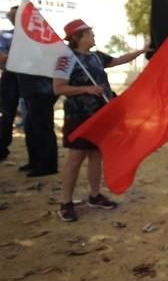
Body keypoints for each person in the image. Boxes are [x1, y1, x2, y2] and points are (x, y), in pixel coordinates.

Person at [53, 19, 149, 222]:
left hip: (101, 115)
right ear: (79, 37)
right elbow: (58, 88)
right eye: (89, 33)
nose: (93, 36)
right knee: (75, 159)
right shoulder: (66, 58)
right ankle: (65, 202)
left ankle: (94, 195)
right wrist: (86, 89)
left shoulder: (97, 57)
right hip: (79, 117)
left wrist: (142, 51)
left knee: (96, 155)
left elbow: (118, 60)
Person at [0, 6, 20, 162]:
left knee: (36, 118)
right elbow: (1, 57)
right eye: (13, 16)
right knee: (5, 114)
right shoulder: (5, 36)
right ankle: (1, 148)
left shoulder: (37, 38)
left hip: (34, 78)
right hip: (11, 77)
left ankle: (40, 157)